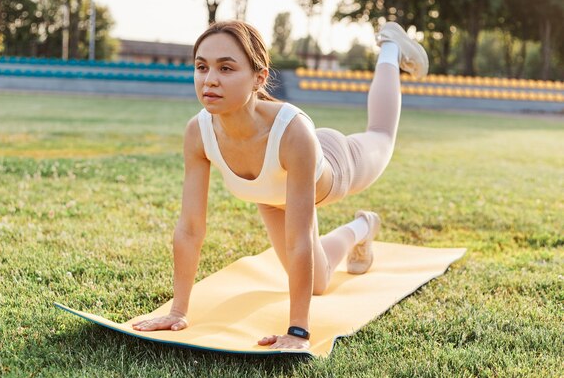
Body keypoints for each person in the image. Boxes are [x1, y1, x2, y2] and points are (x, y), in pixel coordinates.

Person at [132, 20, 428, 350]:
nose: (209, 79)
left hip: (333, 163)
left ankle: (389, 48)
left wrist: (298, 331)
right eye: (201, 67)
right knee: (318, 283)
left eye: (226, 68)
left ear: (259, 77)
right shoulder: (198, 132)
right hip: (273, 197)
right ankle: (363, 226)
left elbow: (299, 238)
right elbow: (189, 228)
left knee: (381, 135)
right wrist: (177, 310)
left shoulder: (293, 131)